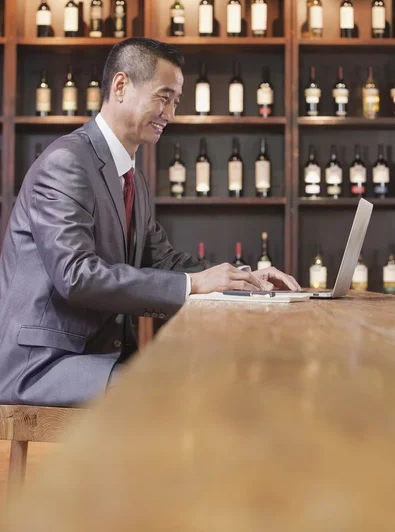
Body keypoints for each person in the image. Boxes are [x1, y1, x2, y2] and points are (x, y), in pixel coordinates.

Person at [0, 38, 300, 407]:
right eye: (164, 97)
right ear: (121, 86)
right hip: (43, 364)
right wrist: (193, 284)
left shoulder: (131, 177)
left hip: (99, 357)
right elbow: (75, 275)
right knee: (190, 390)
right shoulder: (66, 162)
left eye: (175, 101)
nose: (170, 114)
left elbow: (164, 260)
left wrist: (244, 279)